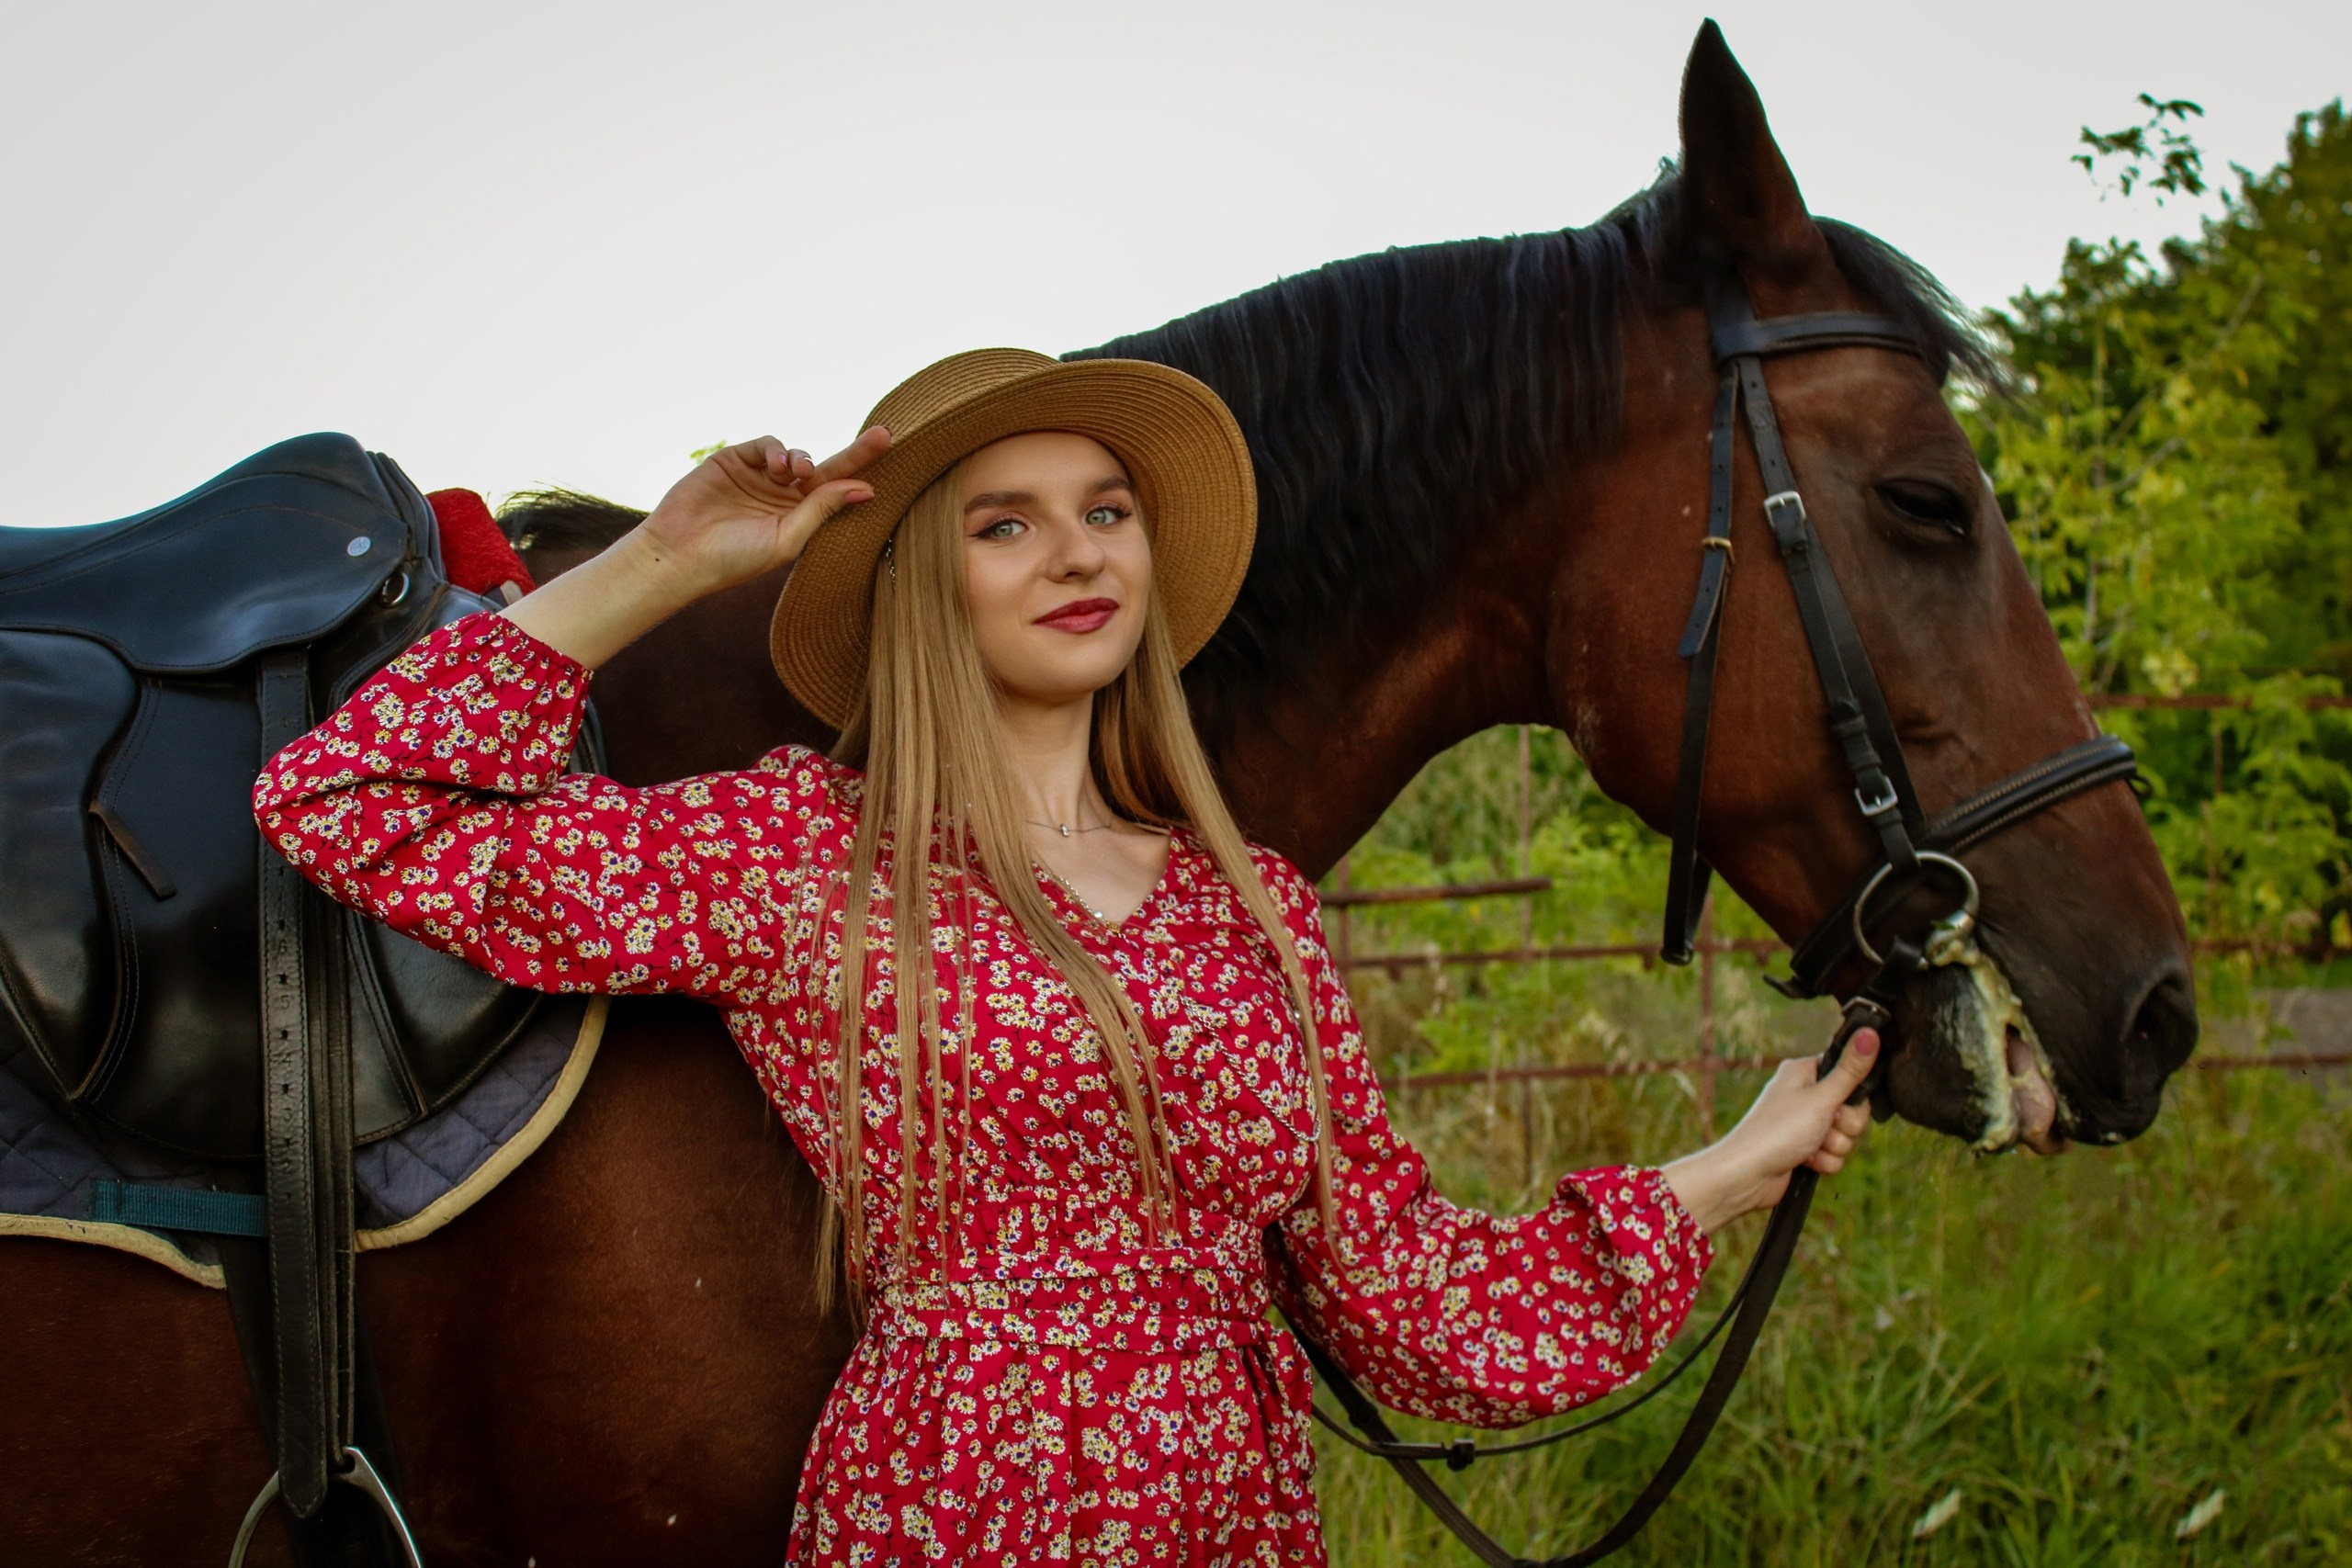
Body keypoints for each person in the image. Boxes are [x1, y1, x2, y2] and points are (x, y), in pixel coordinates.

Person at [254, 348, 1874, 1565]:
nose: (1078, 552)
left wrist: (1732, 1165)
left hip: (1233, 1524)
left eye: (1107, 513)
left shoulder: (1258, 914)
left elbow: (1406, 1301)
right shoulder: (804, 857)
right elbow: (347, 802)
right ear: (924, 588)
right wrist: (665, 566)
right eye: (1006, 524)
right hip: (958, 1510)